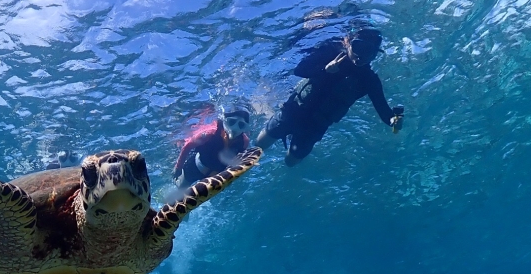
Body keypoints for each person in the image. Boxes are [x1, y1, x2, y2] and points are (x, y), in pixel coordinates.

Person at [256, 27, 404, 166]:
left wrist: (393, 121)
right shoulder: (329, 51)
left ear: (375, 54)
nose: (362, 56)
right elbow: (299, 70)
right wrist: (324, 70)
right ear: (347, 42)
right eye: (358, 47)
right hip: (293, 111)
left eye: (370, 53)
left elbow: (383, 110)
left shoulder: (369, 79)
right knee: (260, 146)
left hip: (315, 126)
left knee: (290, 162)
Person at [172, 108, 251, 189]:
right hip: (194, 168)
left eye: (241, 125)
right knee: (180, 188)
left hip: (214, 177)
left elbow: (239, 159)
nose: (235, 128)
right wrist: (178, 168)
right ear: (225, 121)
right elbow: (188, 146)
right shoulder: (210, 134)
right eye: (231, 122)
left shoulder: (244, 141)